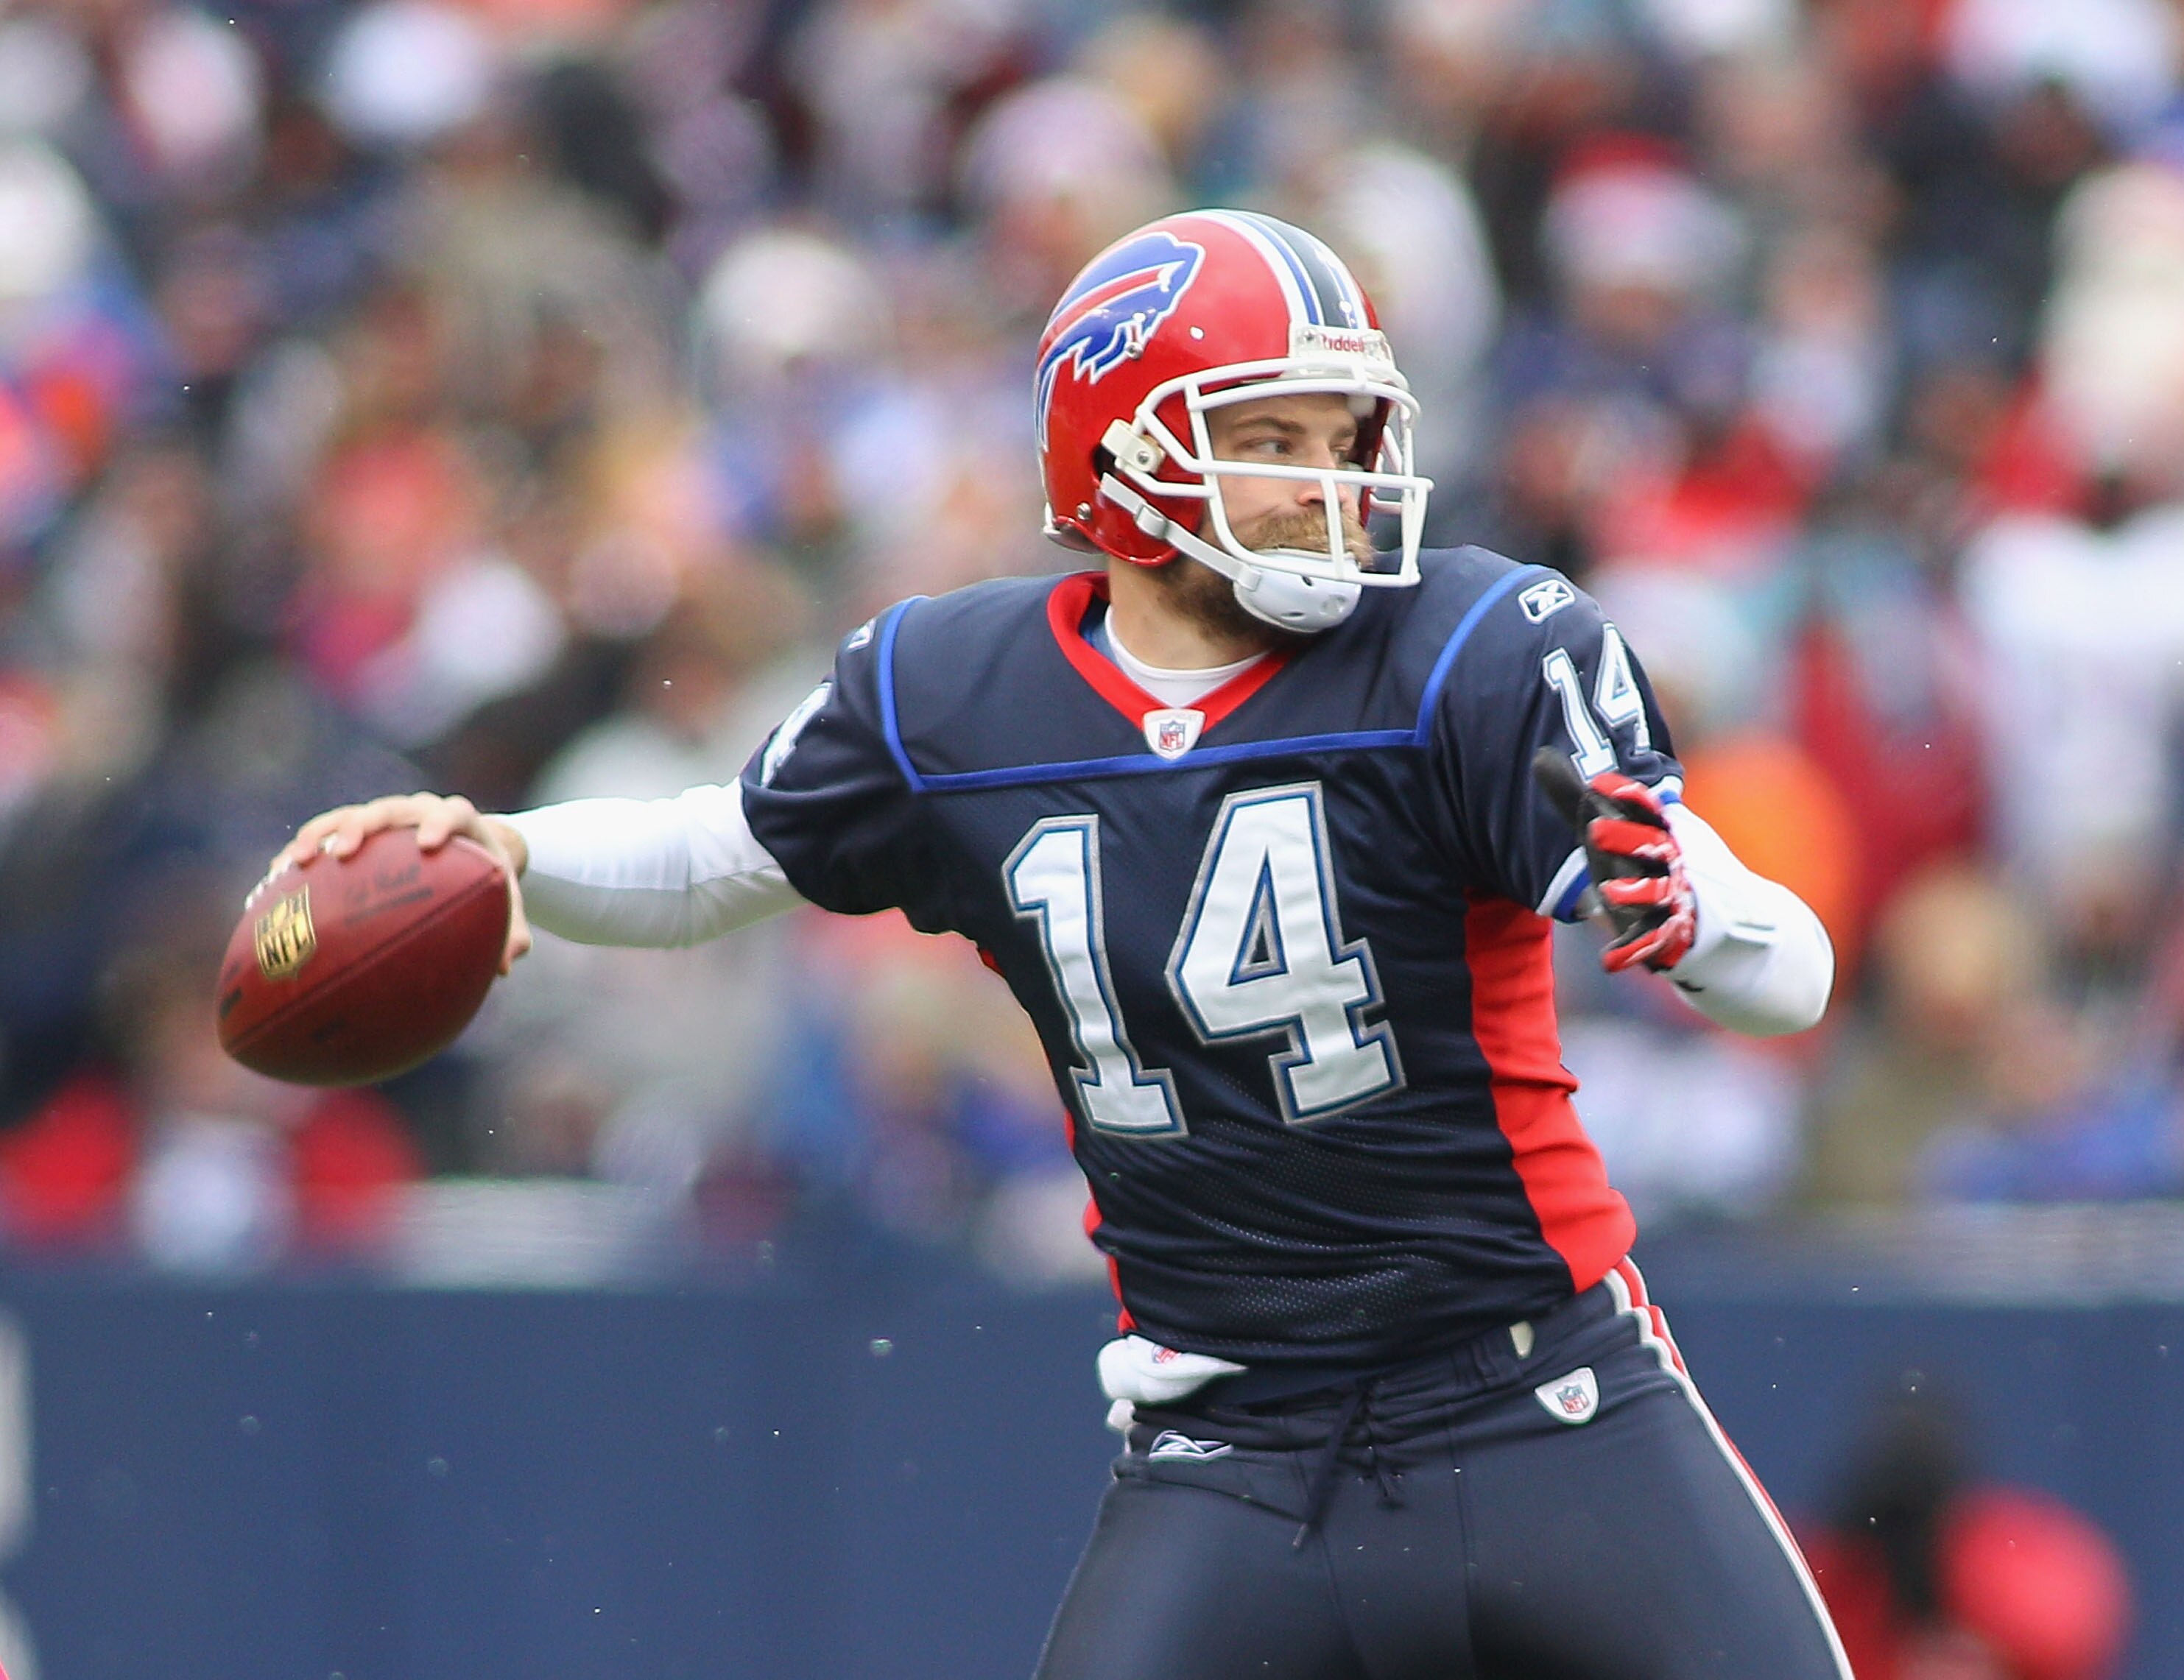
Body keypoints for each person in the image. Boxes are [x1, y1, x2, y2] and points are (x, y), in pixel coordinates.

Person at [281, 210, 1847, 1679]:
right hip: (1230, 1445)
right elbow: (709, 861)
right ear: (1121, 458)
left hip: (1544, 1400)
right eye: (1269, 438)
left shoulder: (1470, 651)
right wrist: (505, 855)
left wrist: (1704, 916)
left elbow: (1788, 970)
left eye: (1340, 436)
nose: (1329, 480)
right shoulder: (956, 696)